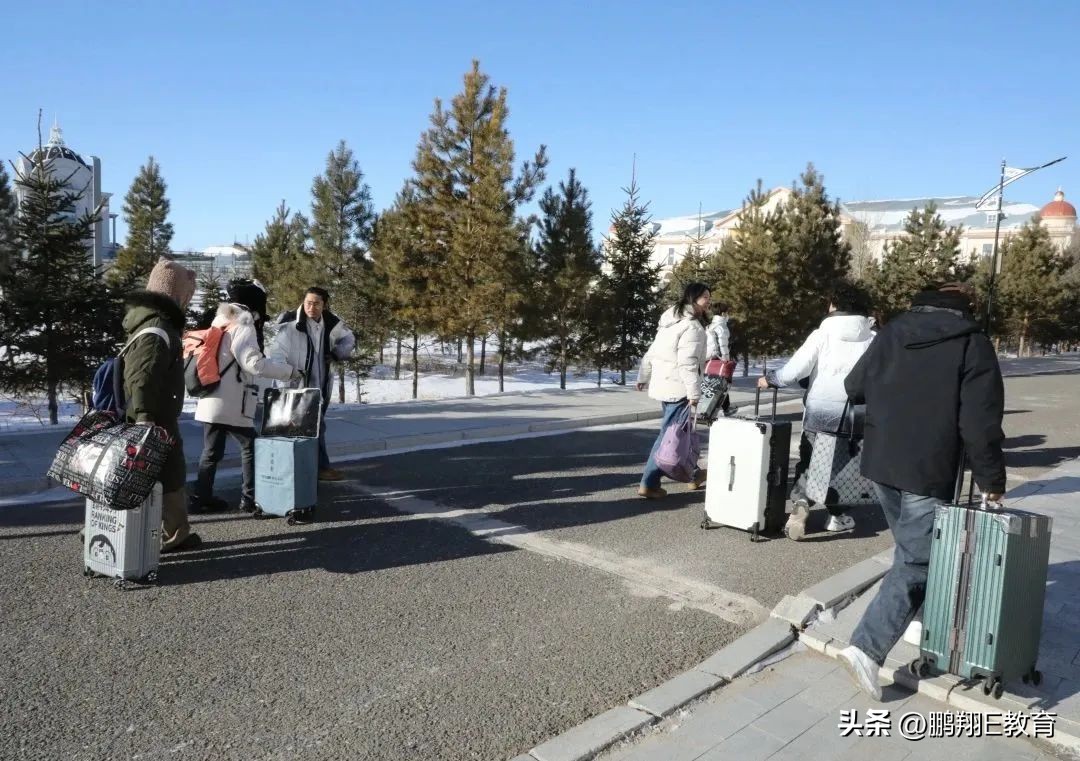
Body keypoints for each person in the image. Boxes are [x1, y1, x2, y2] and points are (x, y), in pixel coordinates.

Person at [837, 283, 1006, 700]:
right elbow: (980, 423)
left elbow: (854, 386)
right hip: (928, 468)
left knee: (911, 550)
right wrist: (991, 479)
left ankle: (919, 621)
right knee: (919, 559)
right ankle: (866, 648)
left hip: (881, 462)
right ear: (965, 308)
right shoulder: (972, 343)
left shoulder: (893, 332)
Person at [757, 281, 875, 539]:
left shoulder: (822, 334)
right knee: (844, 466)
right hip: (856, 413)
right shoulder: (872, 338)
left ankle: (801, 503)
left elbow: (795, 371)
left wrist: (771, 379)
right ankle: (837, 516)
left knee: (811, 460)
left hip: (820, 410)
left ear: (834, 306)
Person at [191, 295, 300, 513]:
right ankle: (249, 498)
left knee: (211, 452)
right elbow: (253, 364)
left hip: (209, 398)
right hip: (232, 402)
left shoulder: (218, 323)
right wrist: (289, 372)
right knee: (250, 446)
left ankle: (201, 498)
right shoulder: (243, 324)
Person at [123, 258, 201, 552]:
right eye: (186, 295)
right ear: (175, 293)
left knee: (160, 473)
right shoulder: (158, 326)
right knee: (158, 474)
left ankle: (174, 532)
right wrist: (144, 417)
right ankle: (167, 535)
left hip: (155, 414)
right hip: (153, 417)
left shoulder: (153, 322)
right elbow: (142, 375)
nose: (188, 301)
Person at [268, 287, 356, 481]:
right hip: (294, 386)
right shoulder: (290, 324)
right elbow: (277, 354)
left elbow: (349, 338)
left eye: (316, 303)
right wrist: (287, 376)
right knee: (300, 429)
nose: (311, 307)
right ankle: (311, 469)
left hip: (320, 386)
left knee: (314, 428)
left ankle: (309, 470)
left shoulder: (331, 323)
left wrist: (337, 353)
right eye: (308, 302)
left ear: (324, 305)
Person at [635, 282, 710, 499]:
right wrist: (694, 393)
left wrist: (643, 376)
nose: (708, 301)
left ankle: (693, 474)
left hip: (665, 385)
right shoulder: (692, 327)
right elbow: (688, 364)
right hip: (679, 388)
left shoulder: (670, 322)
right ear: (693, 298)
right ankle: (649, 483)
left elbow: (651, 352)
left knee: (675, 434)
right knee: (669, 437)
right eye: (705, 297)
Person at [705, 303, 737, 417]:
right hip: (717, 358)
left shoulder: (710, 325)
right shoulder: (721, 326)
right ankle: (726, 409)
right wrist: (726, 358)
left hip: (708, 358)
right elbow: (722, 344)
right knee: (722, 383)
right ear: (723, 313)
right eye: (727, 312)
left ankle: (707, 408)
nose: (728, 314)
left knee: (711, 384)